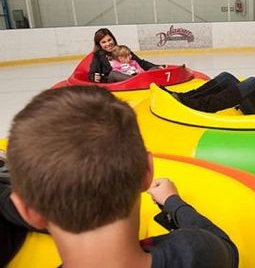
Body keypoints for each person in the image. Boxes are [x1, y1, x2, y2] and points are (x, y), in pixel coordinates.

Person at [2, 86, 239, 268]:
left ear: (26, 210)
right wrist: (173, 203)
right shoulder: (195, 252)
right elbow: (227, 249)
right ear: (147, 171)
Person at [163, 24, 255, 114]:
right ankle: (185, 97)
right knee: (227, 77)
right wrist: (238, 91)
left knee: (252, 83)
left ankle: (202, 106)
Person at [88, 28, 160, 83]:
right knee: (113, 74)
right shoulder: (98, 56)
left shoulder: (122, 50)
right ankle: (139, 80)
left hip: (132, 74)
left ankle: (142, 78)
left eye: (109, 40)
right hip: (115, 82)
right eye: (103, 42)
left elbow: (141, 63)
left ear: (113, 39)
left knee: (155, 69)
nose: (108, 44)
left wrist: (157, 67)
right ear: (99, 44)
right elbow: (92, 72)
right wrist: (93, 77)